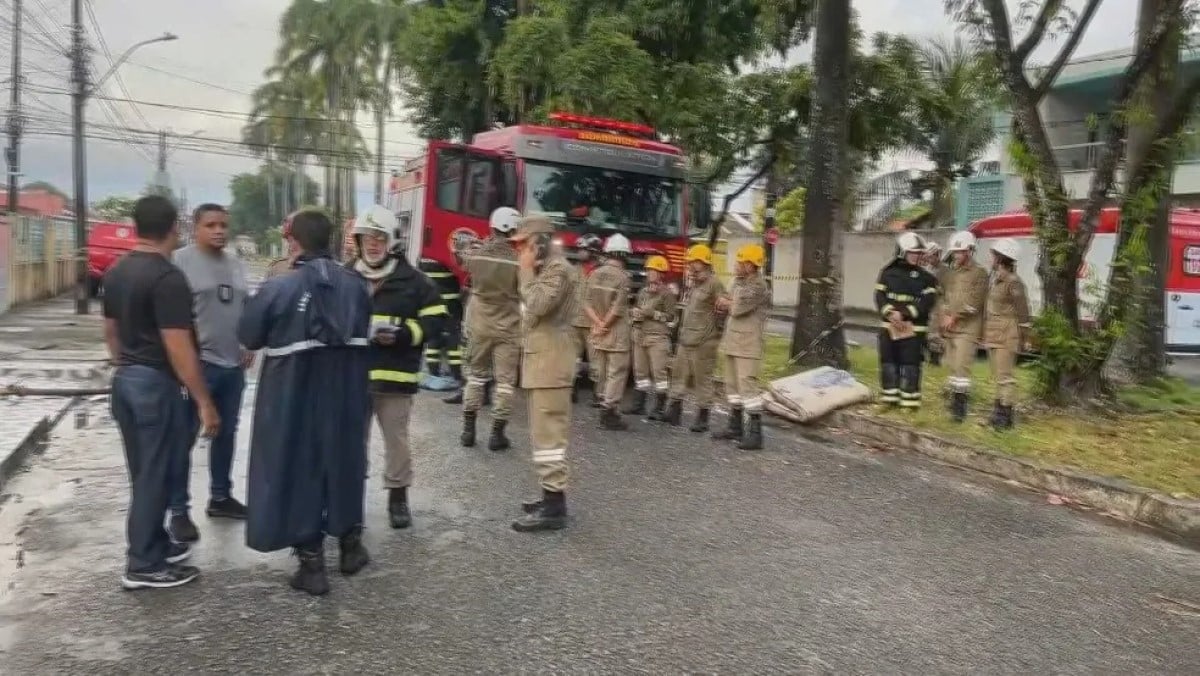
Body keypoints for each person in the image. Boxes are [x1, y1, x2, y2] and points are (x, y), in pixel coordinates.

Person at [237, 209, 373, 596]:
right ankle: (350, 548)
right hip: (346, 391)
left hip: (292, 393)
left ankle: (312, 566)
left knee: (298, 467)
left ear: (293, 241)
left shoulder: (280, 286)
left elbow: (250, 335)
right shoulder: (357, 285)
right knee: (345, 461)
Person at [102, 194, 218, 590]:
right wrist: (203, 400)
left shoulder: (117, 271)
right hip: (155, 383)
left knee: (145, 472)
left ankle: (154, 543)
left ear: (137, 226)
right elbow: (177, 344)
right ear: (175, 228)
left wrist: (124, 367)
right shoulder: (167, 278)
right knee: (156, 474)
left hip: (127, 380)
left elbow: (112, 332)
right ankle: (143, 565)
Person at [349, 205, 445, 528]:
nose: (373, 244)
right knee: (351, 442)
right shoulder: (345, 277)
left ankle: (398, 498)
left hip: (396, 377)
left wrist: (406, 335)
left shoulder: (415, 282)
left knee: (397, 442)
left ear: (391, 241)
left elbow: (436, 321)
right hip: (353, 378)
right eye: (367, 238)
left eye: (379, 238)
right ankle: (349, 499)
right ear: (358, 241)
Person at [166, 204, 253, 544]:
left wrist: (249, 344)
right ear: (195, 227)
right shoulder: (179, 262)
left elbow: (244, 308)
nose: (219, 231)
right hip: (197, 365)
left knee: (226, 433)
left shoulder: (235, 264)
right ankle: (178, 511)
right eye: (211, 225)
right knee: (184, 437)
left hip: (233, 365)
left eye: (223, 225)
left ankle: (220, 497)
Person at [511, 213, 578, 532]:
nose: (520, 252)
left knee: (550, 435)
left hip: (552, 365)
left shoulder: (558, 271)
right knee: (542, 435)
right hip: (542, 363)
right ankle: (550, 496)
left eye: (524, 245)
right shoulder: (547, 270)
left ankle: (554, 508)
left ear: (539, 243)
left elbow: (537, 305)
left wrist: (525, 272)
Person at [461, 207, 522, 450]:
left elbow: (463, 265)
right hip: (508, 325)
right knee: (505, 383)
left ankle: (468, 431)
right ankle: (497, 435)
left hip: (479, 323)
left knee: (475, 377)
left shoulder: (476, 255)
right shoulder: (518, 261)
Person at [662, 244, 725, 432]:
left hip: (704, 342)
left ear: (704, 263)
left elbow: (724, 306)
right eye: (689, 263)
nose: (690, 266)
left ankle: (703, 418)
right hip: (686, 339)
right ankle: (674, 411)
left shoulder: (714, 283)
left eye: (694, 263)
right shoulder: (692, 284)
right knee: (678, 375)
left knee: (702, 379)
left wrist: (717, 327)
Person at [714, 244, 771, 450]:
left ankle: (755, 434)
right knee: (732, 386)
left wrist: (728, 302)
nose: (737, 265)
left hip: (748, 344)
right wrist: (727, 301)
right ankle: (735, 426)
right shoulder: (737, 282)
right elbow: (723, 301)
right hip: (732, 341)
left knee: (748, 387)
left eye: (741, 261)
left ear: (750, 265)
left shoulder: (758, 286)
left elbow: (736, 308)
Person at [874, 232, 939, 409]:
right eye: (913, 253)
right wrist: (889, 313)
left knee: (911, 365)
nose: (917, 256)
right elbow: (879, 296)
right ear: (902, 252)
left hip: (914, 329)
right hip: (889, 327)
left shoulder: (927, 278)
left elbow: (927, 302)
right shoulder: (887, 273)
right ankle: (889, 399)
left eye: (919, 253)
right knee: (888, 362)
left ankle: (909, 403)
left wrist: (904, 314)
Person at [938, 231, 990, 422]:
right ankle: (952, 398)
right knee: (952, 365)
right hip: (951, 326)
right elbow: (946, 296)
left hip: (968, 328)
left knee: (962, 367)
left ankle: (960, 407)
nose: (956, 256)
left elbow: (974, 303)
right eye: (954, 252)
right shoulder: (953, 273)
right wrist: (944, 314)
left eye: (959, 252)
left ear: (969, 251)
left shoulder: (980, 273)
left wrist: (955, 316)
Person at [586, 234, 634, 430]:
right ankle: (609, 411)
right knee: (617, 372)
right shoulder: (623, 278)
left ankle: (603, 403)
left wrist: (598, 323)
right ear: (623, 254)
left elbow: (586, 302)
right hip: (616, 333)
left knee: (603, 371)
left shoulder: (594, 274)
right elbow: (618, 308)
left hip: (597, 331)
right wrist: (606, 324)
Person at [983, 237, 1031, 430]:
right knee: (997, 375)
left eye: (993, 255)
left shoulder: (1014, 282)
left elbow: (1023, 312)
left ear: (1000, 258)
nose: (990, 258)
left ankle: (1005, 417)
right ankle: (997, 413)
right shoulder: (996, 280)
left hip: (1007, 333)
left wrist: (1025, 337)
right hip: (994, 332)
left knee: (1005, 376)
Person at [627, 255, 676, 418]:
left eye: (653, 270)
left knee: (659, 373)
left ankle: (659, 408)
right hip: (640, 335)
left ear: (661, 273)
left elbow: (670, 317)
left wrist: (652, 313)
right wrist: (634, 313)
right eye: (648, 270)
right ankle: (638, 405)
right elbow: (637, 307)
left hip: (657, 338)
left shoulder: (667, 294)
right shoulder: (643, 291)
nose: (649, 273)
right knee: (640, 372)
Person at [419, 256, 466, 384]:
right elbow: (459, 275)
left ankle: (433, 372)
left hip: (432, 304)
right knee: (453, 340)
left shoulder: (422, 259)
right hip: (451, 304)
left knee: (433, 339)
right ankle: (456, 374)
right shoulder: (446, 256)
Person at [570, 234, 603, 404]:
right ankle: (572, 389)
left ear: (593, 251)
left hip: (593, 323)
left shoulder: (601, 273)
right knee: (572, 358)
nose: (579, 253)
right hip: (574, 321)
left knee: (596, 360)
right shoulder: (574, 270)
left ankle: (598, 394)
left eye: (583, 249)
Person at [923, 242, 946, 366]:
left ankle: (935, 359)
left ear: (937, 255)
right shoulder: (928, 269)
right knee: (927, 331)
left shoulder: (945, 270)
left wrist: (936, 289)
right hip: (928, 303)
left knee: (936, 333)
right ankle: (928, 355)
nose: (929, 259)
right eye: (928, 256)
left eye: (932, 256)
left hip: (939, 304)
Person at [266, 210, 302, 279]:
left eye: (294, 236)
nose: (289, 242)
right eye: (287, 237)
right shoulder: (277, 268)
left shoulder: (322, 268)